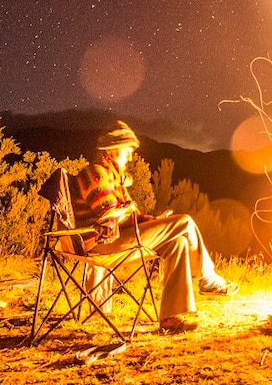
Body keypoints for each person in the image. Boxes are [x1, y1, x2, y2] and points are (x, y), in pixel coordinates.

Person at [74, 120, 238, 333]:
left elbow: (128, 216)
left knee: (177, 243)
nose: (131, 157)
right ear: (112, 151)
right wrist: (143, 219)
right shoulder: (95, 173)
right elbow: (109, 213)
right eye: (128, 151)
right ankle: (208, 279)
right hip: (102, 243)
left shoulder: (113, 179)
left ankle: (170, 317)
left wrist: (153, 221)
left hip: (117, 238)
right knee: (185, 222)